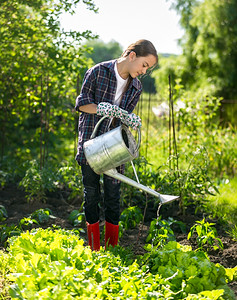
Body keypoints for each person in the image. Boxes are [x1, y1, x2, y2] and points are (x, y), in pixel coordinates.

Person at [75, 39, 158, 251]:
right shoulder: (97, 72)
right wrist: (102, 108)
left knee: (113, 195)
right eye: (144, 65)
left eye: (148, 69)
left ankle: (112, 249)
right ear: (132, 56)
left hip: (114, 145)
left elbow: (124, 116)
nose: (144, 71)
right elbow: (82, 104)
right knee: (91, 193)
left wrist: (129, 119)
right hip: (91, 142)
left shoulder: (136, 87)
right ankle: (94, 248)